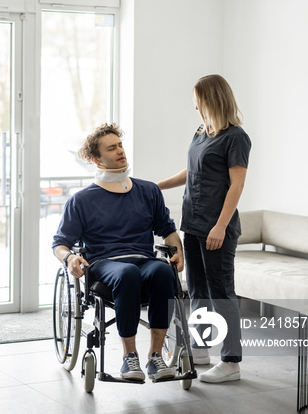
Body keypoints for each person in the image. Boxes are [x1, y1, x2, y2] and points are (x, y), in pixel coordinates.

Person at [52, 123, 184, 382]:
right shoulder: (82, 200)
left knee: (161, 270)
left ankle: (155, 356)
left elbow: (167, 231)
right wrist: (70, 258)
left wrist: (178, 250)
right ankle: (129, 357)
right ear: (95, 159)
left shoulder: (148, 191)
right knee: (127, 273)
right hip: (105, 263)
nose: (120, 151)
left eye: (120, 145)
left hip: (144, 260)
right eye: (111, 148)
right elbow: (60, 243)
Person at [157, 74, 251, 384]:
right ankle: (200, 346)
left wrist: (221, 226)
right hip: (193, 224)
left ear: (213, 100)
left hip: (216, 227)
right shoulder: (201, 131)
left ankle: (231, 361)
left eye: (200, 103)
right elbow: (192, 170)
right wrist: (156, 185)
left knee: (221, 292)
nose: (196, 109)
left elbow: (236, 185)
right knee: (195, 289)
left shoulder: (235, 137)